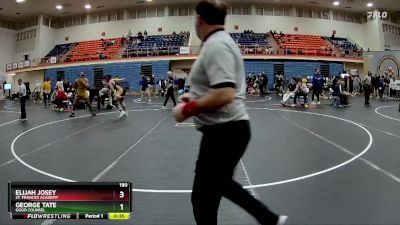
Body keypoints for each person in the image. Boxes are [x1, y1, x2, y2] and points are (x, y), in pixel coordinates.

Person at [173, 1, 287, 225]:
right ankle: (269, 219)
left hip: (225, 130)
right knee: (207, 194)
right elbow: (218, 89)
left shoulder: (216, 45)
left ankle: (269, 219)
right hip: (223, 130)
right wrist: (195, 98)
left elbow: (225, 94)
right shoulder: (219, 43)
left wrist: (187, 109)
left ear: (199, 20)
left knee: (211, 189)